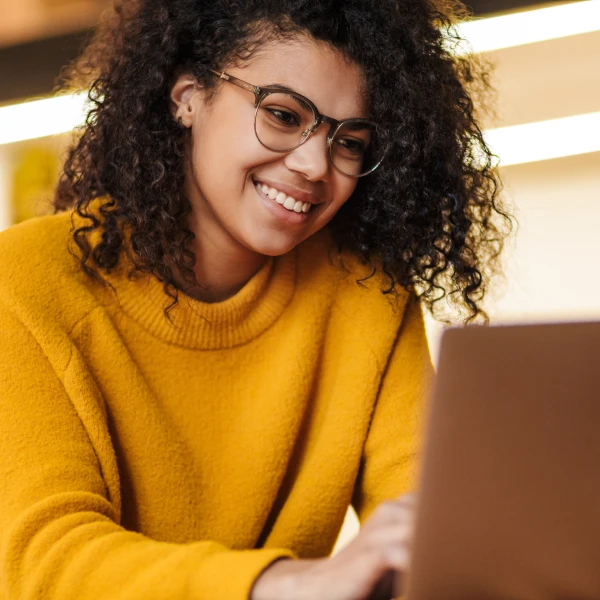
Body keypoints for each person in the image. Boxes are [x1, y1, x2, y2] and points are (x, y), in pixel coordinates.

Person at [0, 0, 510, 598]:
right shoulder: (24, 284)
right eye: (284, 114)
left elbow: (425, 512)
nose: (315, 164)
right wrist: (289, 584)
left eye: (350, 142)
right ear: (187, 96)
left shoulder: (367, 291)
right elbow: (44, 558)